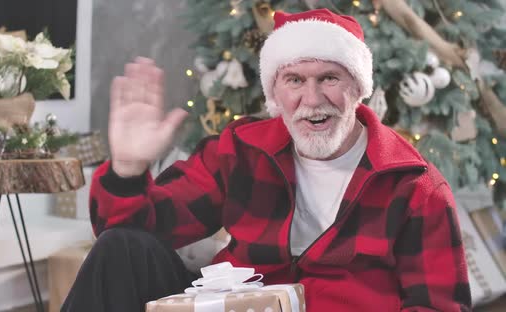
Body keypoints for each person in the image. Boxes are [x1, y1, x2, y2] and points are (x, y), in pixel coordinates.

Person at [62, 8, 471, 311]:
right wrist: (128, 171)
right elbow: (131, 228)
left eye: (329, 78)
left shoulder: (415, 187)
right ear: (275, 92)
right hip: (233, 304)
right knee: (122, 247)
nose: (312, 100)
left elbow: (437, 305)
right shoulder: (241, 149)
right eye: (295, 80)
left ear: (358, 88)